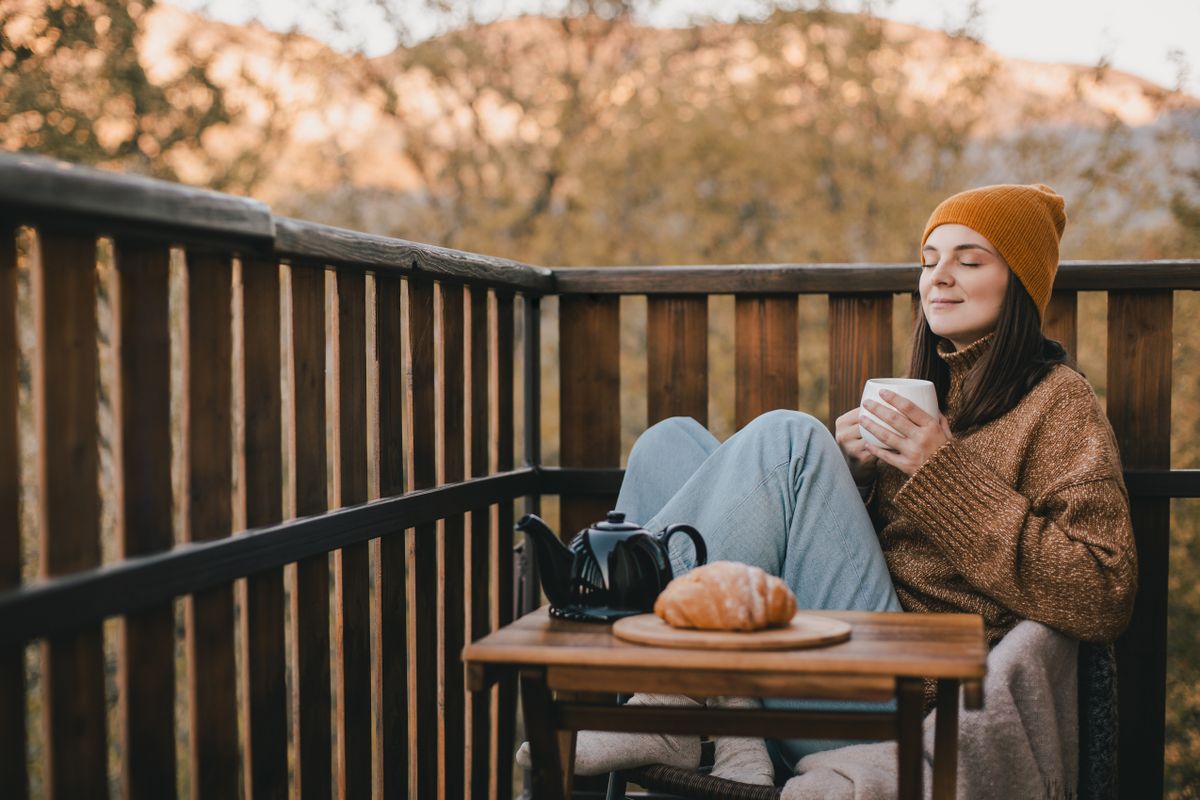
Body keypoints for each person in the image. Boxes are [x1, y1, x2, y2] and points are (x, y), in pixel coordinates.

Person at [516, 183, 1138, 785]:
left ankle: (653, 689)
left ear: (1021, 284)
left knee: (791, 439)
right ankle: (673, 698)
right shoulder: (934, 390)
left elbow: (1104, 592)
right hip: (842, 648)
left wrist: (940, 473)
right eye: (929, 261)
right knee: (667, 443)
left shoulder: (1060, 404)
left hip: (901, 698)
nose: (939, 276)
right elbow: (876, 554)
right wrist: (857, 479)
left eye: (969, 260)